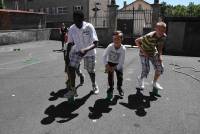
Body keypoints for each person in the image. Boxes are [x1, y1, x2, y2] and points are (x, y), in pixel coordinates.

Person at [64, 11, 99, 98]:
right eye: (75, 20)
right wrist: (67, 54)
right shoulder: (72, 28)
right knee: (71, 67)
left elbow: (96, 43)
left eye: (79, 20)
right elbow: (70, 43)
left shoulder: (89, 27)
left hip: (89, 52)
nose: (76, 22)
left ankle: (94, 85)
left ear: (83, 19)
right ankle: (73, 90)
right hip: (78, 51)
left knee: (90, 71)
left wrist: (86, 49)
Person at [135, 21, 167, 92]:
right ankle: (140, 78)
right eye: (159, 30)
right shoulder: (149, 36)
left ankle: (154, 82)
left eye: (163, 30)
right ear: (156, 29)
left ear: (165, 30)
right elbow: (137, 41)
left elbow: (160, 46)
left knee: (160, 67)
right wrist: (144, 52)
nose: (161, 32)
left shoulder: (163, 36)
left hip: (153, 52)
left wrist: (160, 56)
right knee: (146, 70)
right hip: (144, 53)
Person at [103, 31, 126, 98]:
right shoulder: (110, 46)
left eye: (118, 39)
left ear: (122, 39)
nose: (116, 40)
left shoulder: (123, 49)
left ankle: (119, 87)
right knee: (110, 77)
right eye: (114, 39)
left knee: (120, 77)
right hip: (110, 62)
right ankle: (111, 87)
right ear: (113, 39)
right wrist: (106, 65)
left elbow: (121, 61)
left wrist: (115, 68)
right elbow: (104, 56)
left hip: (118, 64)